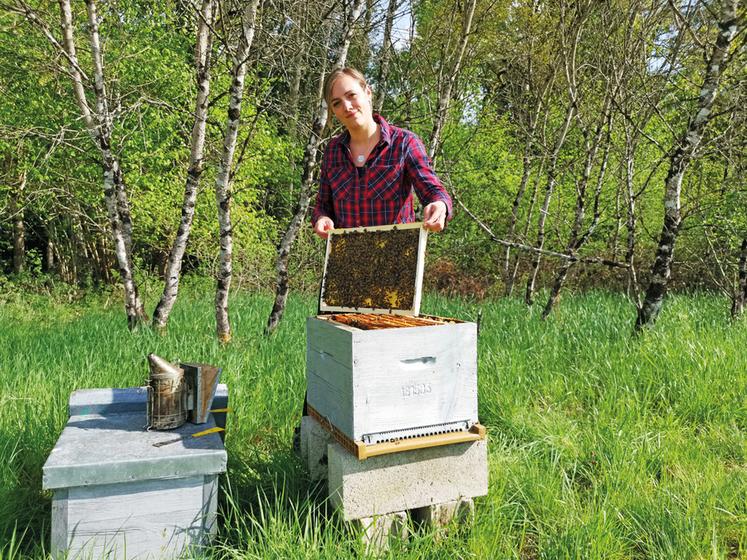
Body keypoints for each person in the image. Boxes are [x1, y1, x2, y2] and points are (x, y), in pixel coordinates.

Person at [311, 67, 452, 238]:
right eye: (337, 103)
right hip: (346, 260)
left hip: (398, 259)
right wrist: (322, 217)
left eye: (351, 95)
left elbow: (432, 190)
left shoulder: (404, 143)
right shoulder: (332, 151)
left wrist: (440, 205)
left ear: (368, 92)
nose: (346, 106)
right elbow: (323, 205)